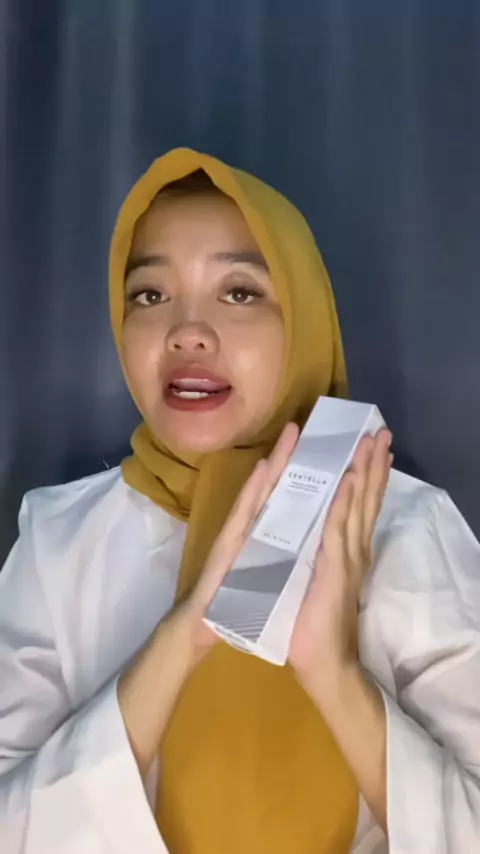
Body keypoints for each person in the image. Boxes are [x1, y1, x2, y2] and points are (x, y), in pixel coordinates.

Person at [0, 148, 479, 854]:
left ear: (302, 317)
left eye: (240, 292)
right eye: (150, 295)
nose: (186, 331)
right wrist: (181, 640)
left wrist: (334, 676)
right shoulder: (58, 537)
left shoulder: (402, 526)